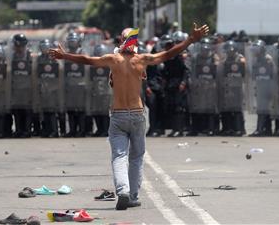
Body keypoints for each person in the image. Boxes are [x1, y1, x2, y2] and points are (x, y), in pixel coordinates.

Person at [49, 23, 209, 210]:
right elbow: (168, 54)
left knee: (119, 156)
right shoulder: (141, 60)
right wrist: (190, 39)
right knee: (136, 157)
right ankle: (132, 196)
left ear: (120, 42)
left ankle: (123, 191)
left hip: (118, 115)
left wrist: (64, 55)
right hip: (137, 114)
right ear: (135, 42)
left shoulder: (112, 59)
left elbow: (87, 60)